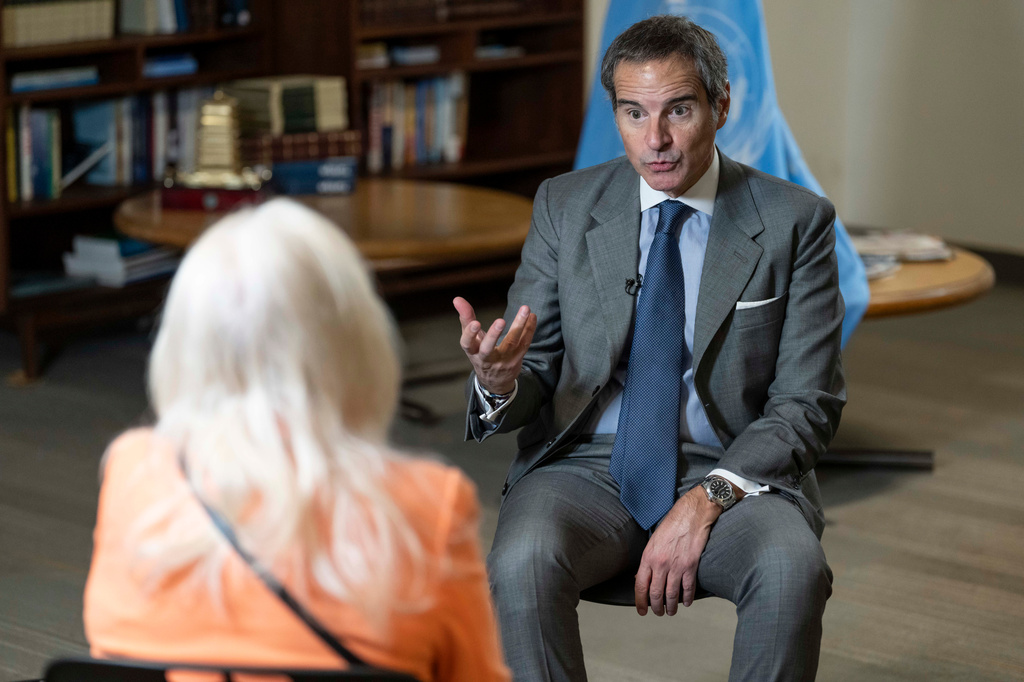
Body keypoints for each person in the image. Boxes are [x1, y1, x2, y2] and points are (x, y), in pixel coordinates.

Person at [454, 15, 844, 682]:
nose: (655, 140)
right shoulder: (564, 205)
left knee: (791, 567)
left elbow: (806, 401)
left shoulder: (794, 222)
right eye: (633, 113)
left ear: (721, 106)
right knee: (521, 562)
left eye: (679, 111)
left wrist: (708, 499)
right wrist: (499, 380)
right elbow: (539, 368)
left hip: (730, 469)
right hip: (584, 465)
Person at [84, 198, 510, 682]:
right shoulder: (428, 505)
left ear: (183, 345)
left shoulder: (133, 472)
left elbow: (111, 652)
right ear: (355, 342)